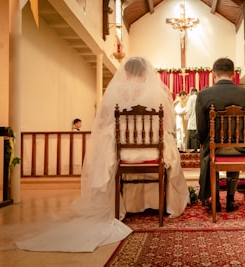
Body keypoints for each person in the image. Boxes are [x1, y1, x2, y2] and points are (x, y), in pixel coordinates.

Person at [13, 57, 190, 252]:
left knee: (107, 148)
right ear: (145, 72)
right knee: (170, 152)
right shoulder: (156, 92)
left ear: (127, 71)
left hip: (122, 153)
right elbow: (168, 125)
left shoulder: (114, 91)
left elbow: (104, 120)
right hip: (152, 152)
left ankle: (120, 206)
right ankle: (166, 204)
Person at [195, 57, 245, 213]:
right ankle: (231, 199)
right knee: (236, 142)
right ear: (233, 74)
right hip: (243, 150)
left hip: (215, 150)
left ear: (214, 74)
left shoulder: (204, 95)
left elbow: (201, 129)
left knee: (207, 150)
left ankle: (213, 199)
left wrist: (208, 142)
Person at [185, 88, 199, 152]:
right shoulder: (199, 97)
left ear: (192, 92)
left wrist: (187, 116)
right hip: (198, 119)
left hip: (192, 118)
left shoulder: (191, 98)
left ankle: (193, 148)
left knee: (192, 133)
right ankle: (198, 148)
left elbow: (188, 109)